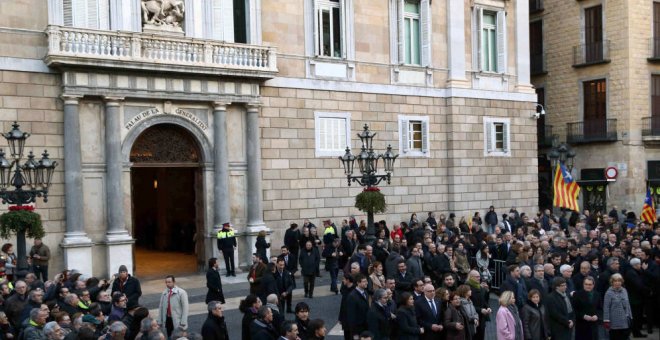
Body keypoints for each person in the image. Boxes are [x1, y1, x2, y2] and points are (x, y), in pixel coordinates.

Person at [603, 273, 632, 340]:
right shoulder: (608, 293)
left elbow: (628, 305)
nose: (617, 283)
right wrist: (606, 320)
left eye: (619, 281)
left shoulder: (624, 291)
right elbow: (606, 307)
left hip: (625, 321)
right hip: (614, 322)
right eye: (615, 281)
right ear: (612, 282)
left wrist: (630, 316)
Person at [345, 274, 370, 339]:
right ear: (358, 283)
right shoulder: (352, 296)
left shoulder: (365, 292)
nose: (366, 283)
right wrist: (354, 333)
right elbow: (351, 316)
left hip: (365, 326)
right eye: (364, 281)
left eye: (366, 281)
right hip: (358, 329)